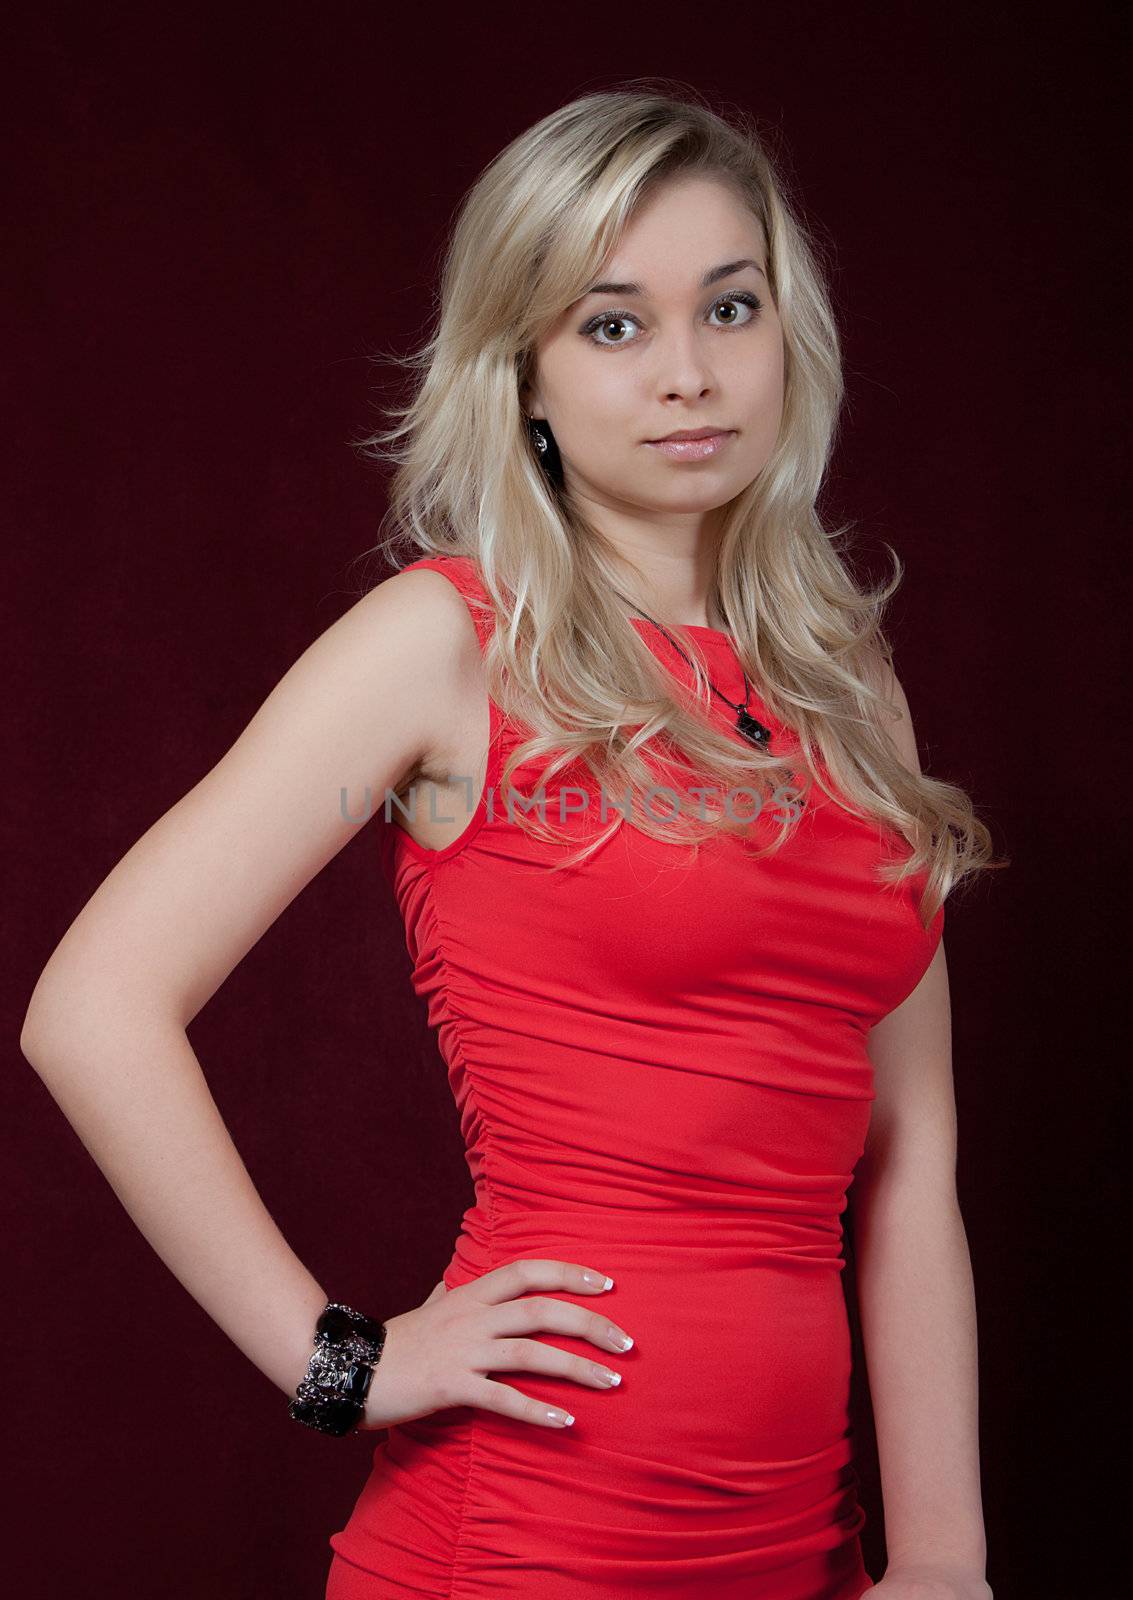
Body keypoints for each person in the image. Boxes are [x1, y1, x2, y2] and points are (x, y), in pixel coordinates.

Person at [20, 83, 999, 1600]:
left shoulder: (844, 683)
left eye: (727, 308)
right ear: (523, 371)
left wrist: (945, 1557)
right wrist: (335, 1360)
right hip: (525, 1541)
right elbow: (93, 1009)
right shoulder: (446, 649)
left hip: (801, 1546)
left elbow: (908, 1149)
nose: (686, 372)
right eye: (613, 324)